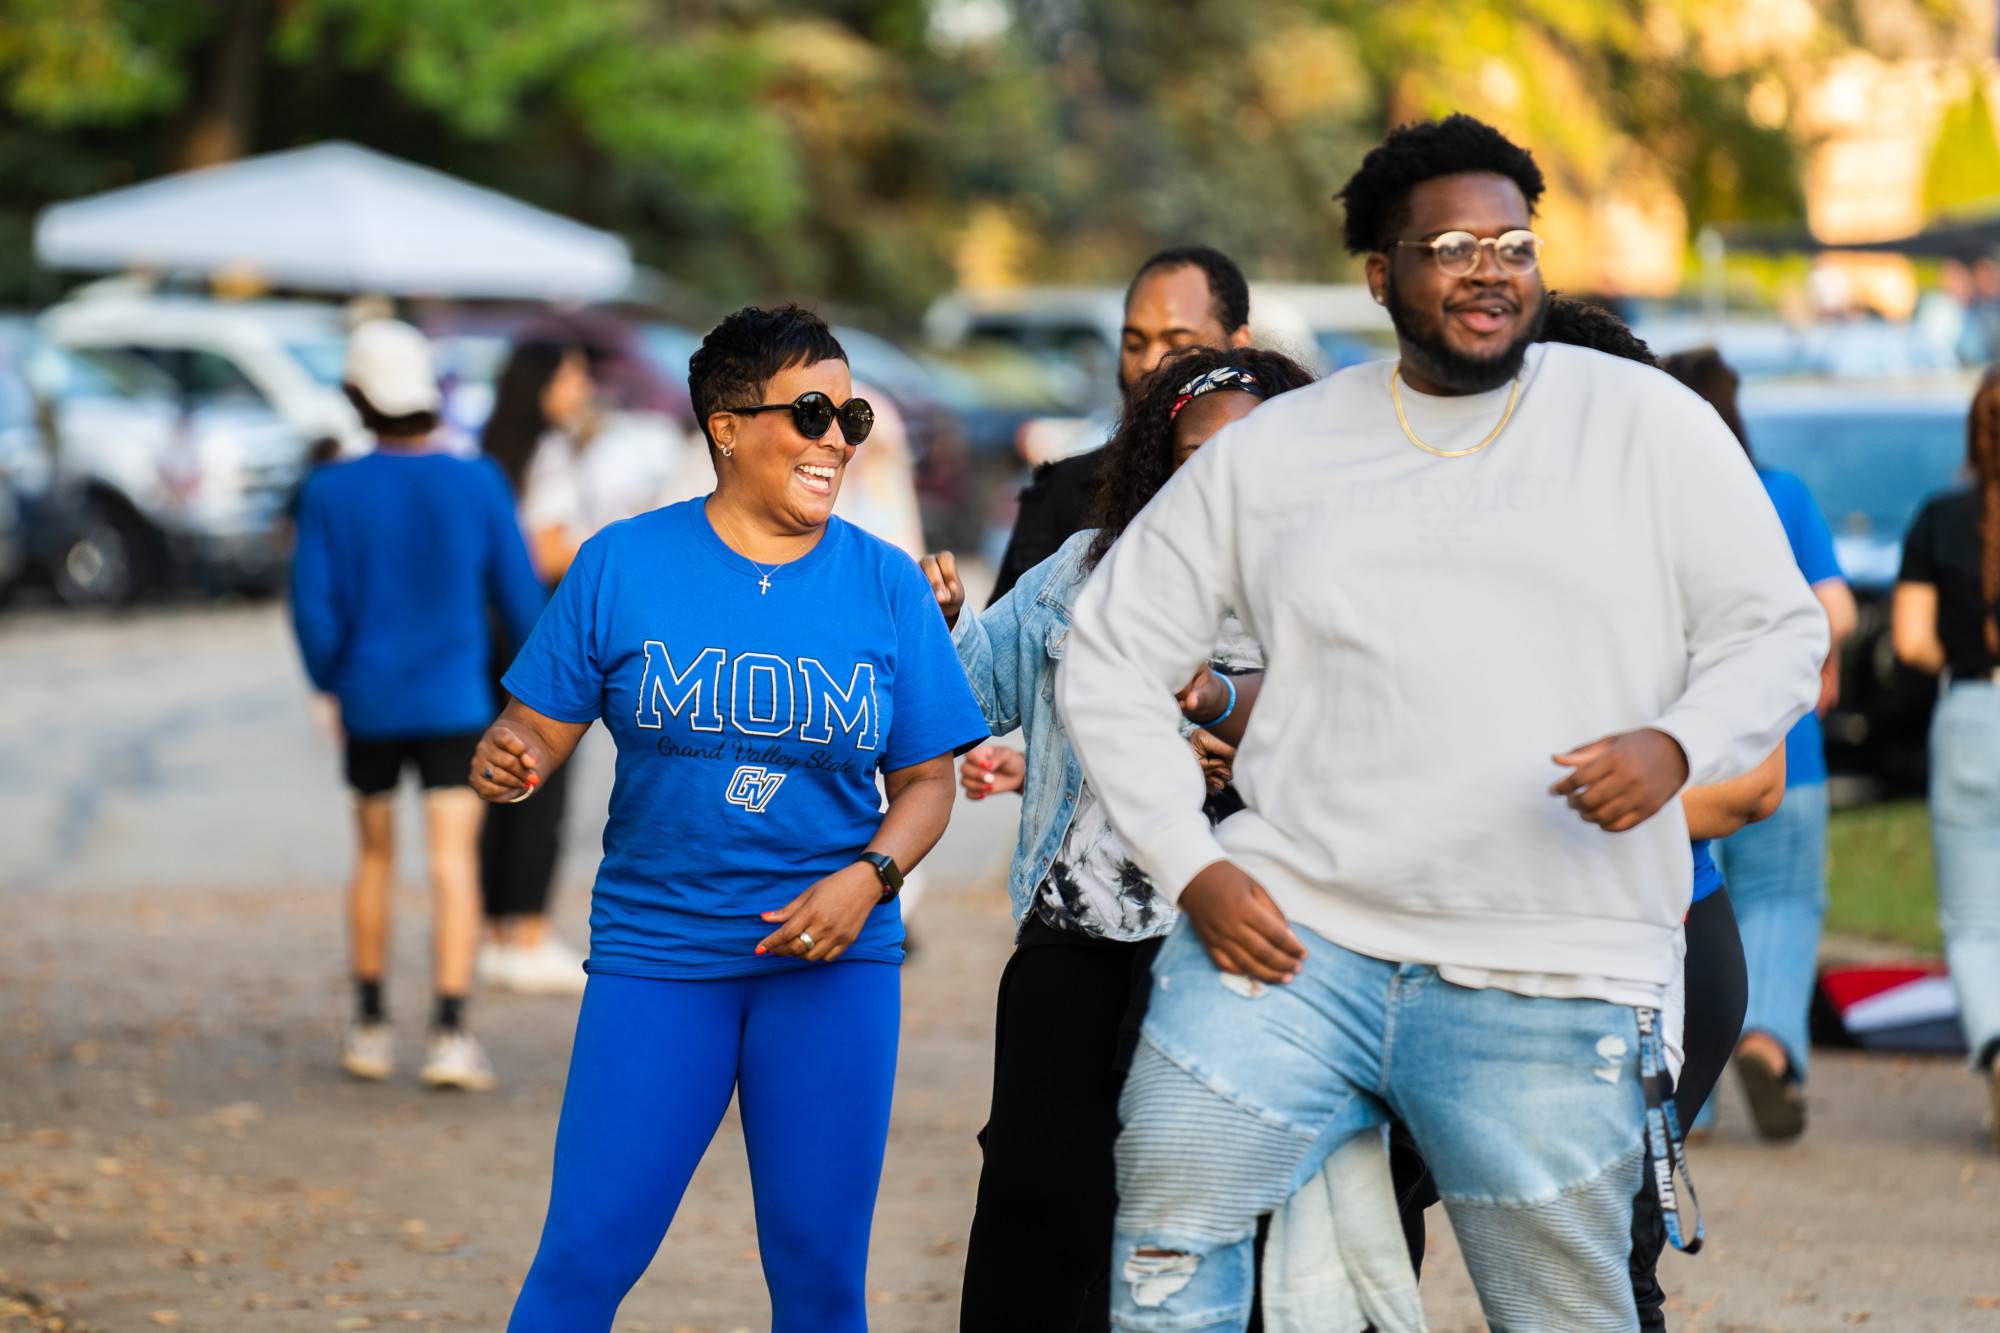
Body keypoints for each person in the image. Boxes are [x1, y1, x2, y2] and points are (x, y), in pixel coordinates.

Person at [1055, 114, 1826, 1332]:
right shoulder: (1283, 452)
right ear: (1380, 273)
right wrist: (1191, 865)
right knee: (1172, 1212)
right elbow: (1106, 649)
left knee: (1563, 1307)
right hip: (1295, 942)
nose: (1488, 269)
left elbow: (1778, 631)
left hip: (1550, 963)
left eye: (1512, 243)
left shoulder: (1644, 426)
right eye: (1451, 244)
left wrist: (1673, 743)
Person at [482, 305, 987, 1331]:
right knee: (584, 1255)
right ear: (723, 425)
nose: (837, 439)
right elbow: (534, 732)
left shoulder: (887, 583)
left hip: (832, 967)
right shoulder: (621, 565)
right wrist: (512, 756)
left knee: (817, 1275)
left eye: (848, 415)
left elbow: (927, 783)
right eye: (809, 413)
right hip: (658, 956)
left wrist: (870, 880)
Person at [931, 345, 1314, 1333]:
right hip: (1077, 939)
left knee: (1208, 1231)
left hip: (1246, 963)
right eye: (1199, 451)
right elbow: (976, 697)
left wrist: (1243, 745)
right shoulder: (1079, 572)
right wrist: (940, 625)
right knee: (1036, 1204)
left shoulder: (1328, 595)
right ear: (1158, 460)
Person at [290, 318, 547, 1091]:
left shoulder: (330, 488)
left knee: (372, 856)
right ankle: (449, 1031)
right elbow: (522, 600)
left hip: (369, 701)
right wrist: (524, 692)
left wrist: (332, 678)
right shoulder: (478, 482)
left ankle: (368, 1025)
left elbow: (311, 605)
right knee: (451, 862)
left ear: (358, 398)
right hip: (453, 701)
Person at [1662, 347, 1856, 1141]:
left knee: (1698, 904)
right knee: (1783, 902)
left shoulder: (1656, 502)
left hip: (1676, 758)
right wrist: (1816, 659)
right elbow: (1834, 609)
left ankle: (1691, 1094)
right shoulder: (1778, 493)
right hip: (1784, 751)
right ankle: (1770, 1040)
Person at [987, 245, 1254, 603]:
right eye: (1134, 343)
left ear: (1239, 344)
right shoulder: (1063, 492)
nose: (1149, 362)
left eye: (1177, 342)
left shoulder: (1279, 485)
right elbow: (1001, 650)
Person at [1892, 368, 2000, 1150]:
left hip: (1969, 713)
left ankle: (1995, 1040)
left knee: (1972, 920)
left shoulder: (1939, 516)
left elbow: (1911, 640)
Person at [473, 339, 600, 995]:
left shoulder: (492, 447)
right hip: (546, 623)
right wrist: (608, 547)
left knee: (500, 768)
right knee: (543, 771)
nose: (582, 386)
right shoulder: (548, 451)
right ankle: (525, 929)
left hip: (494, 631)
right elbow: (549, 549)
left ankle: (495, 928)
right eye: (573, 372)